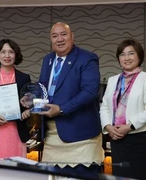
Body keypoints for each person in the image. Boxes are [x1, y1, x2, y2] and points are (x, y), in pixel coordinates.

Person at [36, 22, 104, 176]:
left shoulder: (87, 58)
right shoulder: (48, 59)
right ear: (50, 40)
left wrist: (61, 109)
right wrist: (30, 99)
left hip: (81, 137)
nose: (59, 39)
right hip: (52, 136)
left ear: (72, 36)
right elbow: (43, 88)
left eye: (63, 34)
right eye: (54, 36)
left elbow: (90, 92)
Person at [100, 38, 146, 180]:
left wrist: (129, 126)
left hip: (139, 139)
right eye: (122, 54)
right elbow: (104, 106)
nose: (126, 58)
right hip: (116, 138)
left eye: (131, 53)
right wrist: (108, 127)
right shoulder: (113, 80)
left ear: (139, 56)